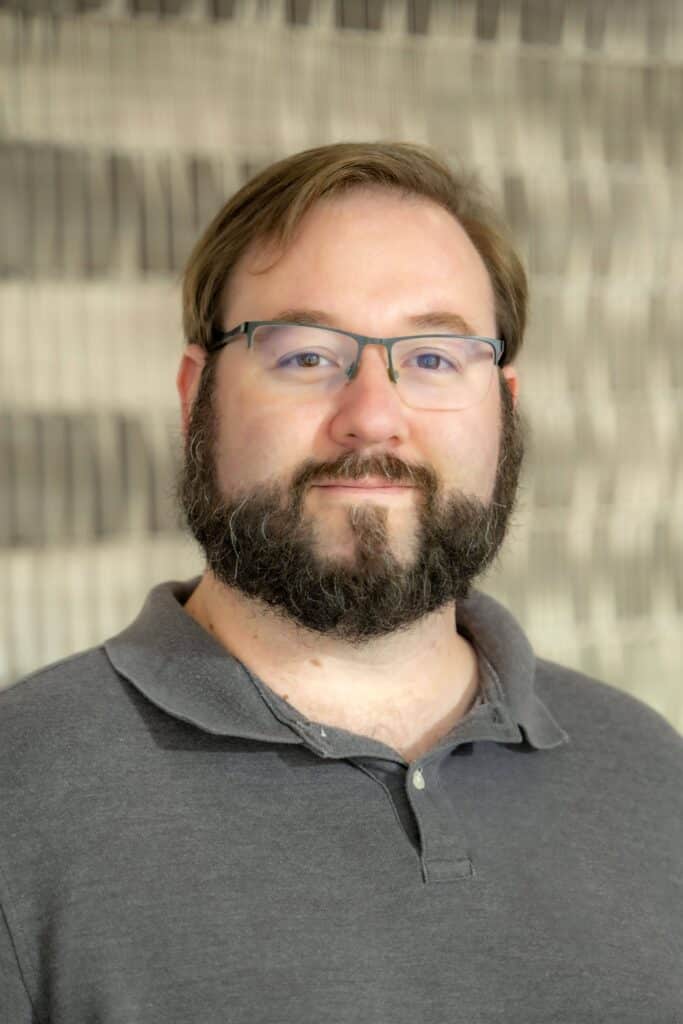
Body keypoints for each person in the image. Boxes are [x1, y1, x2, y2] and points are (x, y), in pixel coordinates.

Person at [0, 142, 680, 1024]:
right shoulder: (20, 795)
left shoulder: (652, 775)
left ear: (504, 408)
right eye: (304, 355)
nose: (372, 415)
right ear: (194, 398)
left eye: (433, 357)